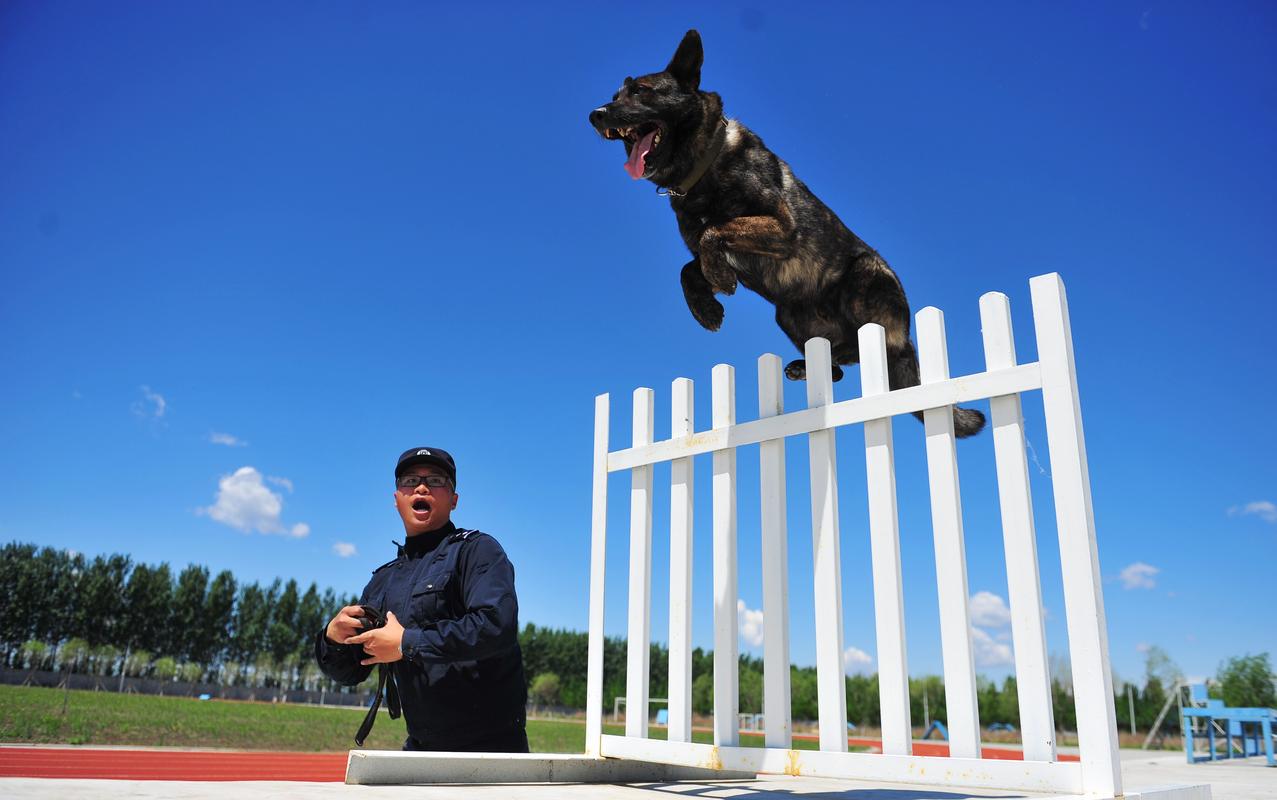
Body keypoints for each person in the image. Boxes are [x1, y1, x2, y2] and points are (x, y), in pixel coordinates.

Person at [315, 446, 528, 752]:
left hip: (493, 749)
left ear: (453, 500)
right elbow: (352, 671)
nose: (422, 486)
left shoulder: (477, 551)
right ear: (397, 499)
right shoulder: (383, 580)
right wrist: (331, 640)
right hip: (421, 748)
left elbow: (496, 627)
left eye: (437, 480)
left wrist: (406, 643)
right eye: (410, 480)